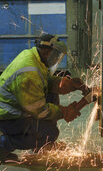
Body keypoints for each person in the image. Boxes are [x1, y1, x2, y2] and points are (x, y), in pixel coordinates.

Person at [0, 34, 90, 162]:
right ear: (47, 51)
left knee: (51, 93)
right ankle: (3, 145)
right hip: (8, 116)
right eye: (56, 55)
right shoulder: (29, 72)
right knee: (49, 133)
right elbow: (39, 110)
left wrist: (68, 85)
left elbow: (46, 81)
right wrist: (64, 112)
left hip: (18, 105)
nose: (56, 59)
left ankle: (41, 144)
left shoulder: (35, 56)